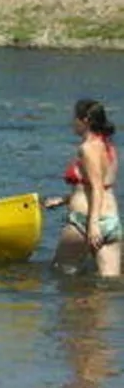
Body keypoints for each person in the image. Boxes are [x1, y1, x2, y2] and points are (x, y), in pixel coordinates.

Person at [45, 99, 120, 276]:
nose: (72, 123)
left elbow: (96, 188)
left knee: (61, 275)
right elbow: (99, 186)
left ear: (85, 120)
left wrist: (92, 225)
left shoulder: (87, 148)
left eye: (75, 118)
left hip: (85, 222)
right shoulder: (109, 146)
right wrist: (64, 200)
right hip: (111, 219)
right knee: (110, 286)